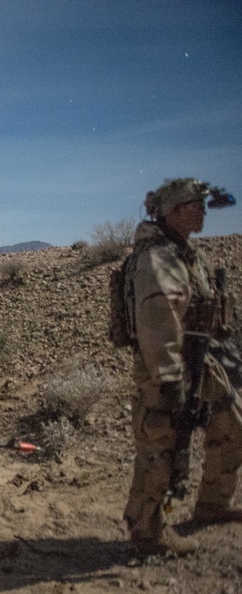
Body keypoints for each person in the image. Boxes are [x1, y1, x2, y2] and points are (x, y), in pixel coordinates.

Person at [122, 178, 242, 556]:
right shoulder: (160, 257)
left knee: (232, 424)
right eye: (194, 204)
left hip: (200, 361)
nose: (202, 212)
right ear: (173, 210)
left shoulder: (183, 253)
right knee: (161, 445)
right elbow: (158, 318)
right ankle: (147, 530)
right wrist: (170, 377)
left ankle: (212, 505)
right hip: (168, 367)